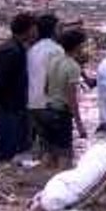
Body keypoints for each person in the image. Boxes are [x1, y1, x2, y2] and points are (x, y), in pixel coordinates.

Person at [35, 29, 88, 169]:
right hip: (61, 114)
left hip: (46, 111)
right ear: (77, 46)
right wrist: (80, 125)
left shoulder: (53, 60)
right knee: (65, 157)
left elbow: (45, 88)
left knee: (48, 153)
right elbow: (72, 100)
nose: (85, 49)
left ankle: (43, 184)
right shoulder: (73, 67)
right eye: (83, 45)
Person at [0, 13, 37, 163]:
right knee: (7, 147)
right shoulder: (12, 51)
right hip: (8, 107)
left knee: (15, 145)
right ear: (28, 30)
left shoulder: (17, 48)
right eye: (34, 28)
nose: (36, 31)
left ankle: (4, 178)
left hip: (14, 105)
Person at [27, 14, 63, 151]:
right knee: (57, 149)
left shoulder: (32, 49)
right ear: (53, 30)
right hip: (49, 104)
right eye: (59, 28)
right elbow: (55, 79)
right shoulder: (56, 50)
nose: (61, 32)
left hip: (32, 104)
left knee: (41, 147)